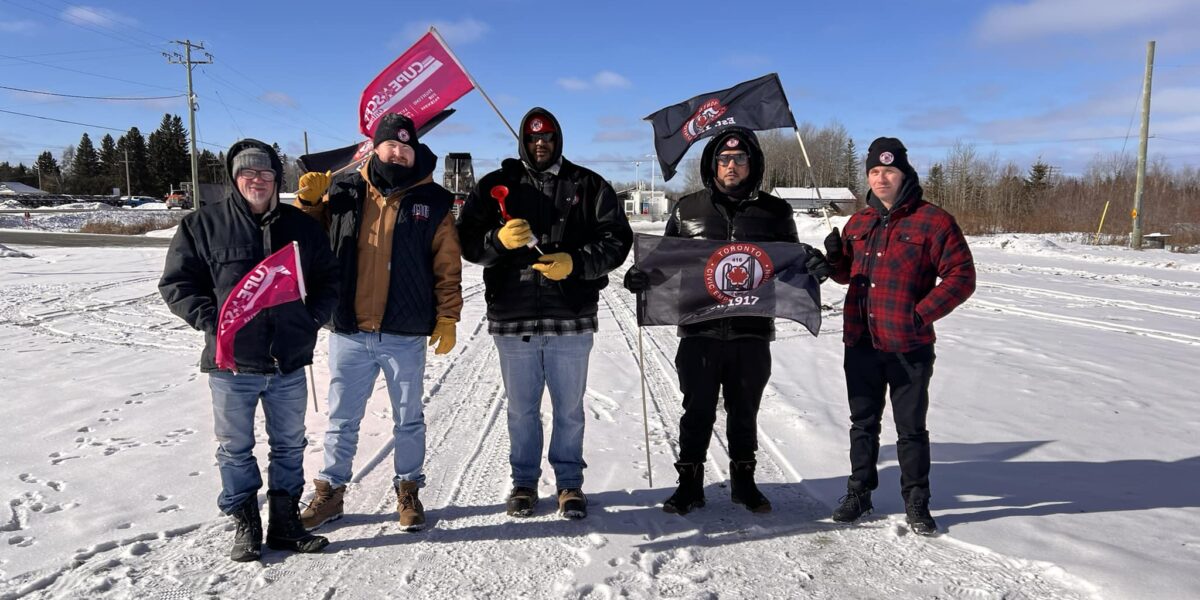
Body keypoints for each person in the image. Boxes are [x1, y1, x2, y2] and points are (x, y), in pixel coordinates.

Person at [623, 128, 831, 515]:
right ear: (712, 165)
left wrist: (813, 267)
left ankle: (744, 483)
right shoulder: (688, 208)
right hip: (700, 328)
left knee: (744, 409)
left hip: (751, 330)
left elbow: (787, 263)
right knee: (697, 409)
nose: (731, 166)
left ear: (752, 163)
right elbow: (668, 260)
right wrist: (642, 276)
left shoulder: (775, 211)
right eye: (723, 159)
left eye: (738, 159)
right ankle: (689, 484)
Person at [159, 139, 338, 562]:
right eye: (248, 173)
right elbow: (177, 284)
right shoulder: (202, 225)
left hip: (288, 362)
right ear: (235, 178)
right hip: (231, 366)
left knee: (290, 445)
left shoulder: (302, 227)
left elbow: (330, 280)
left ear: (277, 179)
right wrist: (214, 322)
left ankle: (285, 524)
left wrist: (309, 320)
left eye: (265, 173)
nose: (256, 180)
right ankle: (245, 522)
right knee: (234, 448)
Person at [457, 108, 632, 520]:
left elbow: (616, 241)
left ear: (558, 140)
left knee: (569, 410)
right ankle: (524, 483)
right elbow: (467, 242)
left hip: (570, 315)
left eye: (549, 137)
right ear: (523, 140)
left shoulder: (588, 185)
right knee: (521, 410)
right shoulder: (496, 187)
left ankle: (569, 484)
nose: (542, 143)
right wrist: (496, 241)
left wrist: (575, 261)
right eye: (534, 138)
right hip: (512, 316)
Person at [293, 113, 463, 532]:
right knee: (341, 419)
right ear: (376, 146)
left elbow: (448, 265)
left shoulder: (434, 201)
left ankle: (409, 489)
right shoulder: (343, 189)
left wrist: (448, 316)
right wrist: (309, 204)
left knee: (408, 418)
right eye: (392, 145)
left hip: (404, 333)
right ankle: (330, 492)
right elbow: (307, 242)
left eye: (407, 147)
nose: (399, 153)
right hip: (349, 329)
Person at [823, 137, 976, 536]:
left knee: (910, 429)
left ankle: (917, 501)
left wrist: (920, 315)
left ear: (905, 174)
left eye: (888, 171)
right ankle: (859, 492)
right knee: (863, 423)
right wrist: (835, 259)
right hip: (861, 342)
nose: (880, 178)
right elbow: (846, 276)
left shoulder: (934, 221)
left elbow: (962, 277)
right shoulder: (858, 222)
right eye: (874, 171)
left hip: (909, 347)